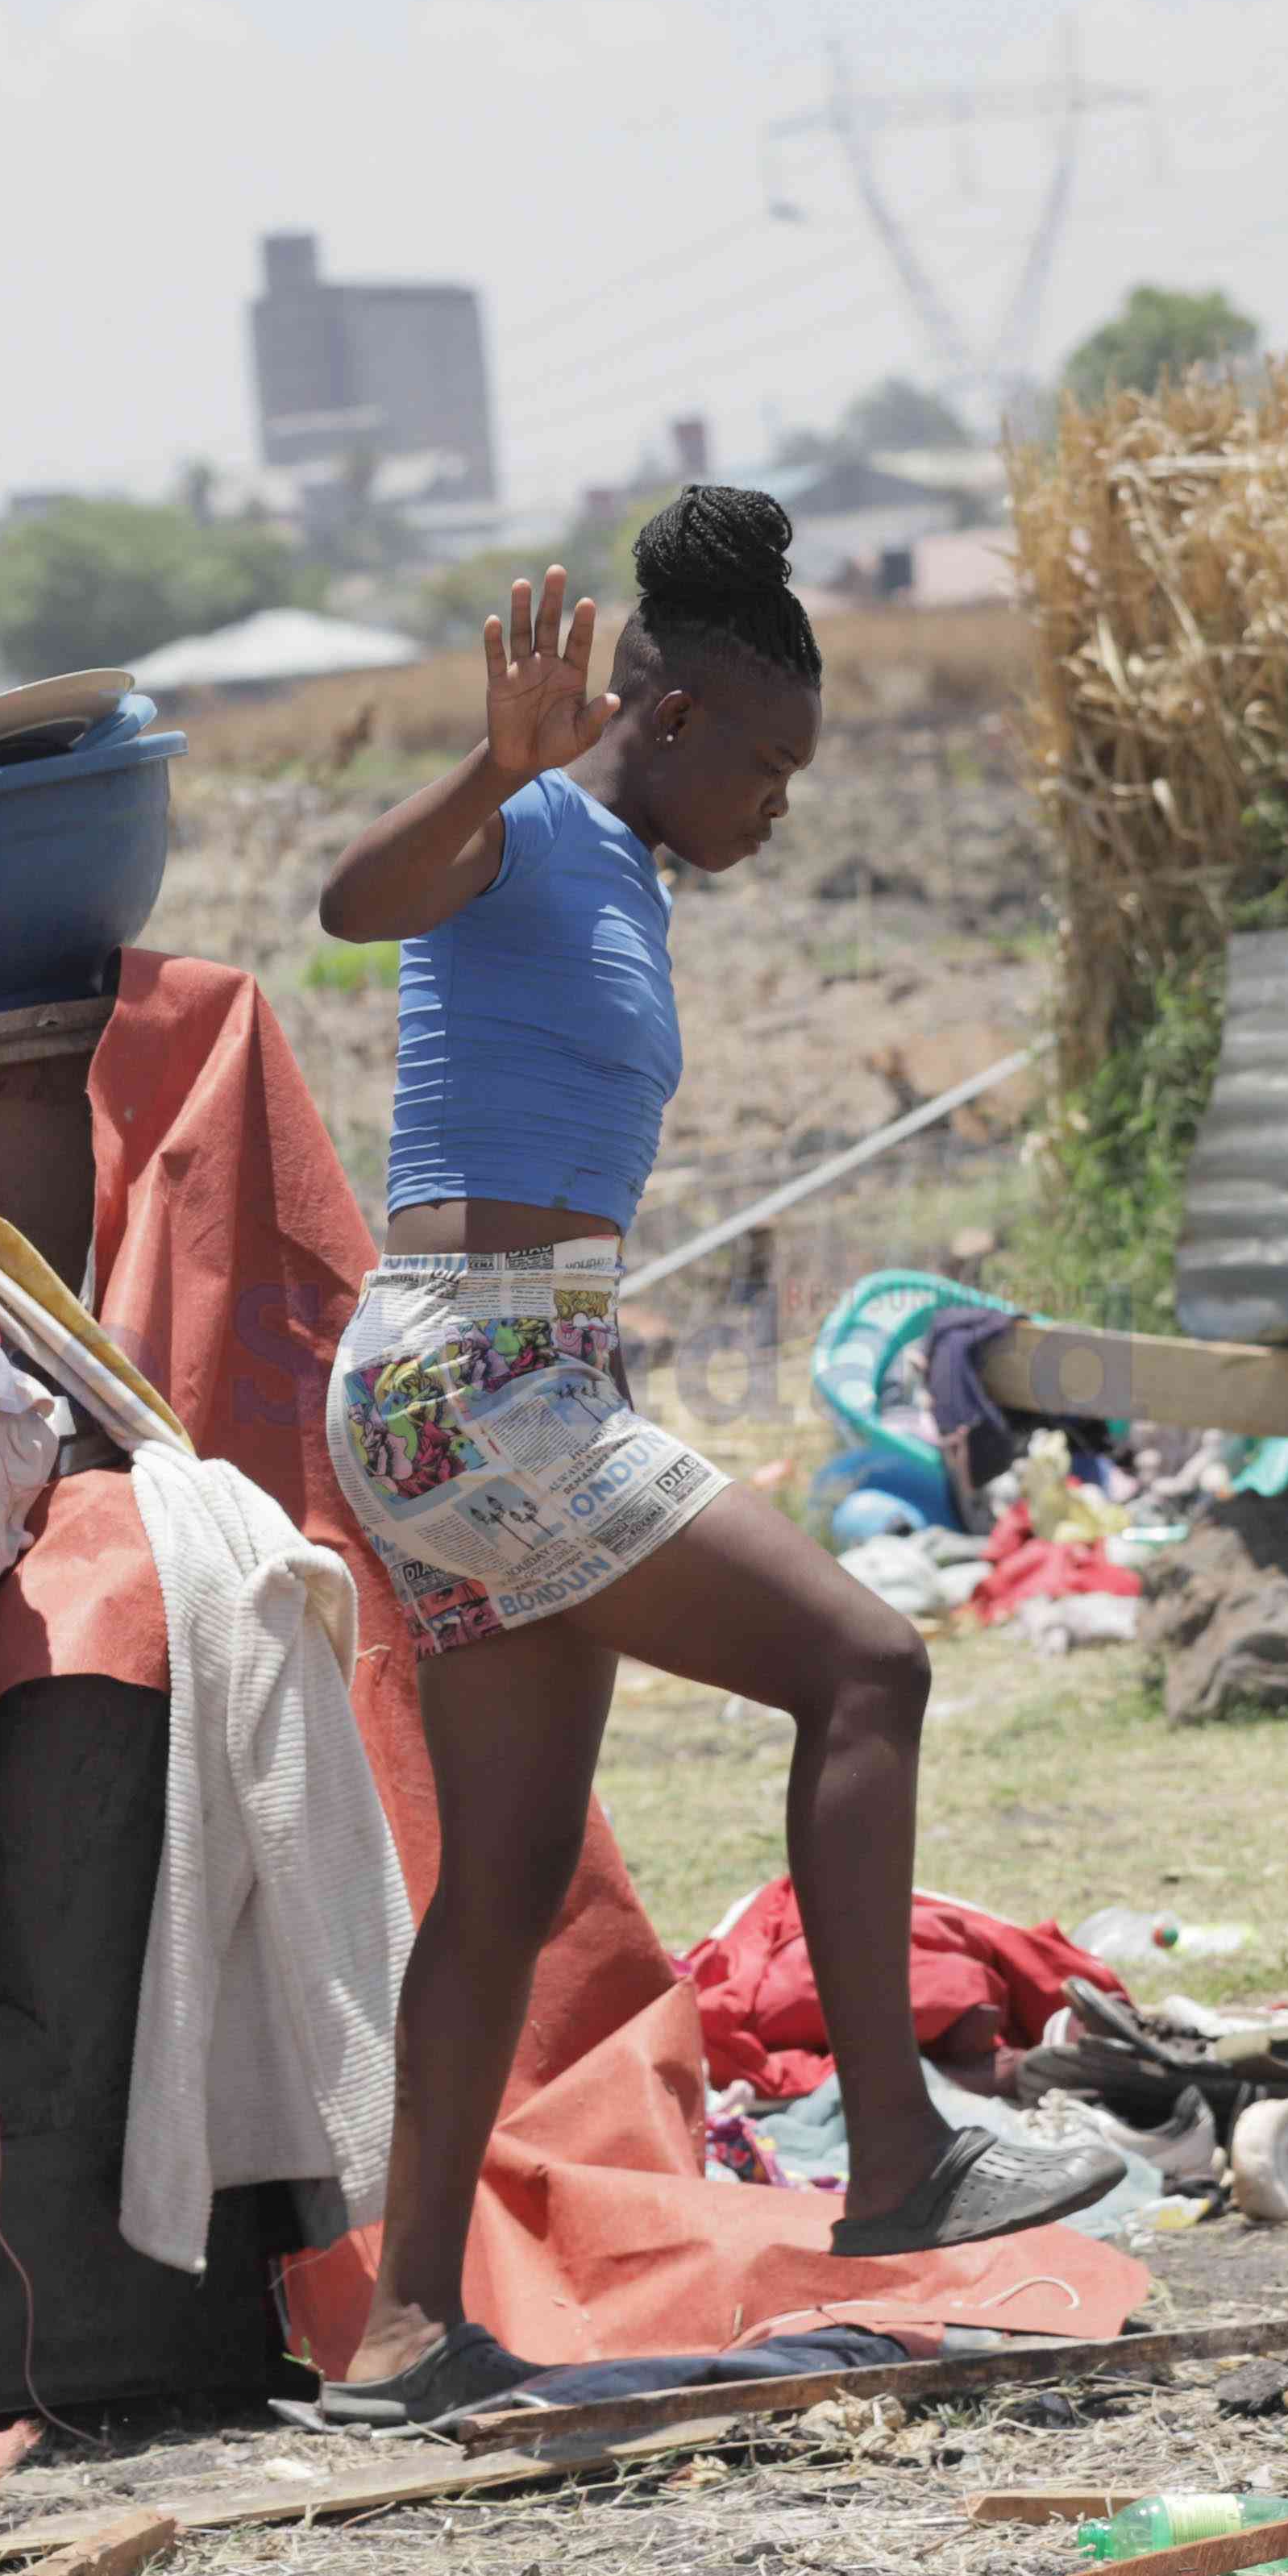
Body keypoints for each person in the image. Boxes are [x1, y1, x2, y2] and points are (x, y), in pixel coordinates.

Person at [303, 486, 1111, 2426]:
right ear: (667, 724)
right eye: (766, 760)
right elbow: (348, 906)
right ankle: (901, 2154)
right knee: (869, 1661)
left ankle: (406, 2331)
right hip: (477, 1376)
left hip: (487, 1376)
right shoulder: (532, 828)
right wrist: (484, 767)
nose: (780, 803)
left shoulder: (627, 878)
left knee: (501, 1872)